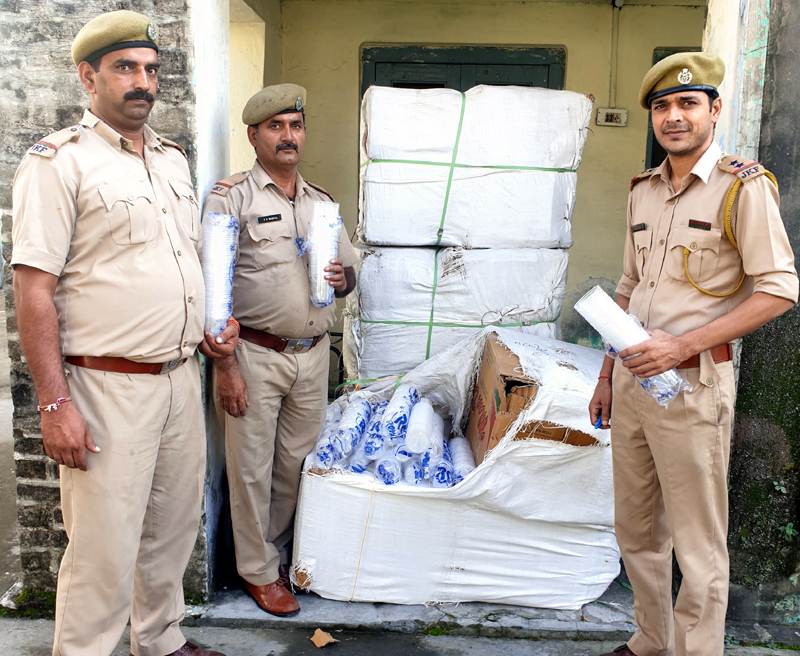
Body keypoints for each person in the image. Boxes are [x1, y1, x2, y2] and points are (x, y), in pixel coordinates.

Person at [11, 11, 237, 656]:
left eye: (150, 69)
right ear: (89, 77)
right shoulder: (59, 163)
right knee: (103, 550)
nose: (143, 82)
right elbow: (34, 290)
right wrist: (55, 406)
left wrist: (208, 325)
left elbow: (173, 259)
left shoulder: (170, 160)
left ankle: (161, 641)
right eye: (125, 69)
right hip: (105, 387)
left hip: (177, 378)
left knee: (170, 530)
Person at [589, 52, 798, 656]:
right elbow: (628, 287)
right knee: (637, 529)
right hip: (631, 385)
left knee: (697, 542)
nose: (674, 117)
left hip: (694, 385)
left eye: (687, 104)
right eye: (662, 107)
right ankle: (651, 639)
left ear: (714, 110)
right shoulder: (644, 191)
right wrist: (606, 374)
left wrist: (682, 344)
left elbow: (781, 289)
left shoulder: (742, 188)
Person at [202, 84, 358, 616]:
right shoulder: (232, 199)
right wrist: (225, 366)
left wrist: (343, 278)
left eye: (295, 125)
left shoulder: (320, 202)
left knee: (294, 464)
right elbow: (213, 290)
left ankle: (280, 557)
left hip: (312, 354)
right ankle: (257, 572)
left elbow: (350, 272)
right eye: (276, 126)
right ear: (254, 135)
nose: (288, 136)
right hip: (254, 353)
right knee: (249, 466)